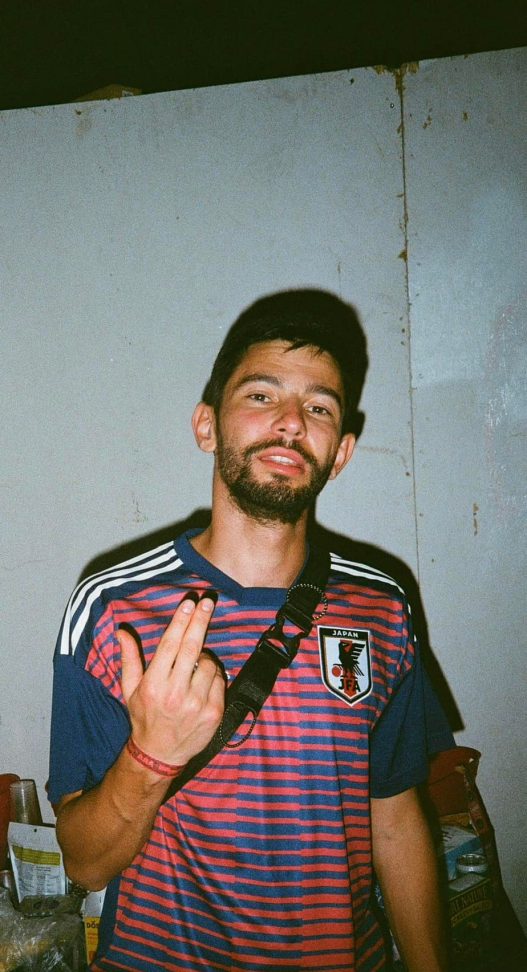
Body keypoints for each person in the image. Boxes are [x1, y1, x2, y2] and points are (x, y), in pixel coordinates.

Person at [48, 290, 454, 971]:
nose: (291, 422)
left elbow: (394, 814)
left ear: (341, 451)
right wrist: (151, 757)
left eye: (319, 408)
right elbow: (85, 864)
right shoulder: (112, 605)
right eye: (261, 396)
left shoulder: (380, 605)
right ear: (206, 425)